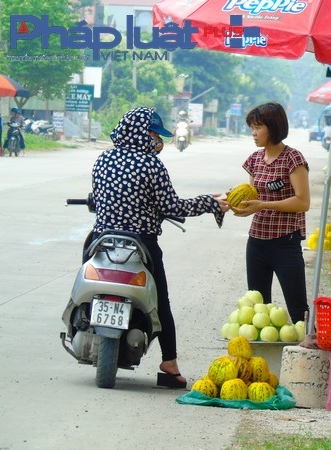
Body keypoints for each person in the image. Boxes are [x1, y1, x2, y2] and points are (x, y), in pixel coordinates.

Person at [90, 107, 230, 387]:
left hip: (102, 241)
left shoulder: (102, 159)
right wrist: (210, 203)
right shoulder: (152, 166)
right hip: (141, 244)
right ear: (142, 133)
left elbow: (96, 199)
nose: (157, 140)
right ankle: (169, 363)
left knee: (87, 269)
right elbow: (171, 207)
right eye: (153, 134)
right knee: (160, 302)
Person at [233, 102, 310, 323]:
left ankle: (304, 353)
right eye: (252, 128)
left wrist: (264, 205)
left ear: (273, 127)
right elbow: (252, 196)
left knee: (298, 310)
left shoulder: (292, 158)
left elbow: (303, 202)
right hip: (256, 242)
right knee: (257, 310)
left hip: (285, 242)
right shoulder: (255, 159)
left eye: (258, 127)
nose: (253, 133)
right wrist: (236, 202)